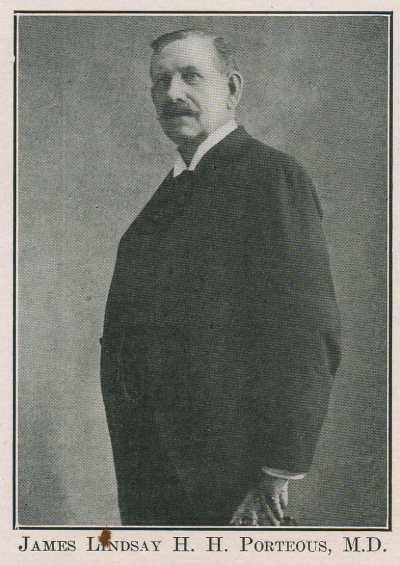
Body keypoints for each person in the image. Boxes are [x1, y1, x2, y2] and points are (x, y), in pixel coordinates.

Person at [100, 29, 341, 526]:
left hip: (236, 487)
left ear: (232, 88)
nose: (172, 93)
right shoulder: (163, 202)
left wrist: (277, 471)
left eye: (190, 76)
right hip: (152, 482)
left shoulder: (270, 177)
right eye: (160, 81)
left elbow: (305, 332)